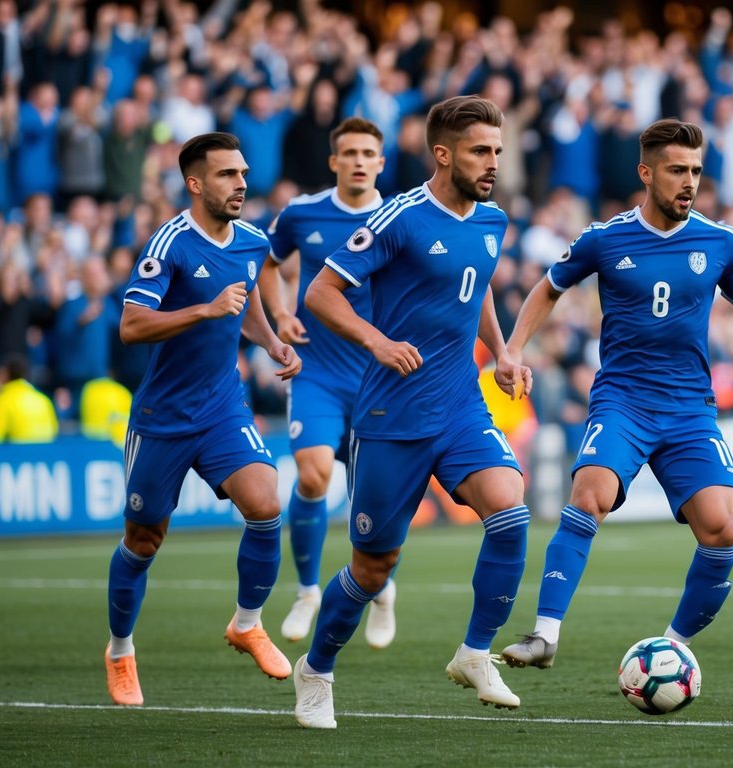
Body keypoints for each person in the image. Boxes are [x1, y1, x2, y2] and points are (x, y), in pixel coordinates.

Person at [496, 119, 733, 673]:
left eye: (696, 171)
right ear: (646, 173)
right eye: (678, 170)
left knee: (722, 527)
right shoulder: (603, 238)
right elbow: (547, 289)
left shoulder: (720, 242)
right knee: (588, 495)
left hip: (689, 409)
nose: (690, 182)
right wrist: (513, 348)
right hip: (623, 401)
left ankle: (672, 648)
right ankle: (545, 635)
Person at [290, 95, 532, 730]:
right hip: (390, 417)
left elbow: (473, 290)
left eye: (498, 152)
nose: (492, 163)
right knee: (373, 568)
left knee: (510, 512)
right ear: (444, 153)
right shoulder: (399, 217)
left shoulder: (492, 220)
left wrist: (502, 352)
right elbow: (320, 292)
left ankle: (476, 653)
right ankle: (316, 669)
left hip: (458, 405)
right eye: (481, 151)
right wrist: (376, 341)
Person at [103, 132, 302, 707]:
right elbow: (132, 325)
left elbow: (248, 301)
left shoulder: (252, 240)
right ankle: (120, 650)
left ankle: (246, 622)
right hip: (162, 418)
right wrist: (203, 309)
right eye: (226, 175)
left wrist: (268, 342)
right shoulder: (169, 244)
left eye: (242, 173)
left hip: (222, 407)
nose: (241, 183)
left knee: (266, 503)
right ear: (195, 183)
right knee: (143, 539)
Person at [258, 117, 399, 647]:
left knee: (378, 492)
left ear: (381, 163)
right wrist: (281, 314)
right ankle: (308, 590)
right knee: (314, 476)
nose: (360, 160)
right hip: (317, 369)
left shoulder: (401, 215)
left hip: (379, 374)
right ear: (333, 161)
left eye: (369, 152)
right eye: (350, 153)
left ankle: (383, 588)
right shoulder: (301, 213)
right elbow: (268, 265)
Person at [0, 354, 58, 443]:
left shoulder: (1, 402)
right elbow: (53, 433)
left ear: (5, 374)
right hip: (46, 456)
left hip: (16, 456)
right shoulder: (44, 400)